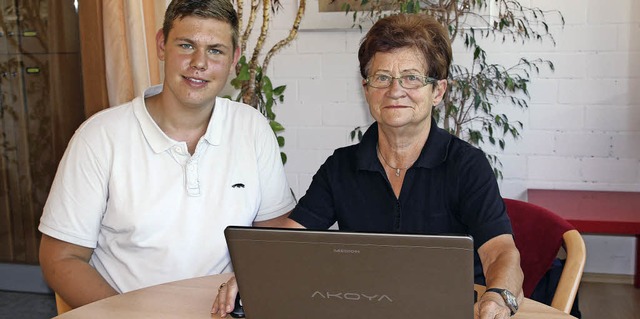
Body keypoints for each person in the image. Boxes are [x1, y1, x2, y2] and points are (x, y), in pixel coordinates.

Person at [212, 13, 524, 319]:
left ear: (438, 91)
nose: (395, 90)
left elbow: (500, 253)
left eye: (412, 78)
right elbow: (291, 245)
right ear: (366, 89)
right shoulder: (341, 167)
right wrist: (253, 275)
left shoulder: (466, 166)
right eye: (382, 78)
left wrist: (498, 296)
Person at [38, 0, 295, 309]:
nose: (199, 63)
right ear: (162, 45)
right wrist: (126, 316)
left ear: (234, 59)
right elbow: (60, 257)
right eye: (186, 45)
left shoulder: (252, 128)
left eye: (215, 50)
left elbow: (277, 236)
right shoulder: (99, 137)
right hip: (126, 313)